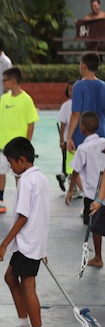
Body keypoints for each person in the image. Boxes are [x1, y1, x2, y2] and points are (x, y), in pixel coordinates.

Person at [0, 137, 50, 327]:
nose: (10, 168)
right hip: (33, 241)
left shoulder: (26, 181)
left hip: (28, 241)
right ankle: (24, 326)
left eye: (11, 163)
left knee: (28, 285)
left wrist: (3, 245)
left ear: (21, 160)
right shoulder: (41, 178)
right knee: (10, 277)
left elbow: (23, 216)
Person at [0, 67, 38, 214]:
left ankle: (23, 203)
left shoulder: (27, 100)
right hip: (1, 145)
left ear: (12, 81)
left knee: (20, 176)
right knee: (0, 172)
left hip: (17, 148)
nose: (3, 83)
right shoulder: (4, 98)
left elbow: (31, 124)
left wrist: (26, 145)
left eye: (4, 80)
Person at [65, 112, 105, 267]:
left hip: (92, 194)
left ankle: (98, 257)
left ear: (81, 128)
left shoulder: (83, 148)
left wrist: (70, 191)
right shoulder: (103, 142)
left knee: (95, 227)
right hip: (103, 192)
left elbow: (75, 172)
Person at [66, 52, 105, 154]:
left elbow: (76, 113)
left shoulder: (79, 86)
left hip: (82, 134)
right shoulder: (103, 86)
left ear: (83, 66)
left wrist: (69, 137)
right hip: (100, 134)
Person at [56, 80, 77, 193]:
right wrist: (61, 141)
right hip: (67, 140)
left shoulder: (84, 103)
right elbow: (62, 125)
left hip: (79, 140)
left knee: (76, 164)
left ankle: (63, 177)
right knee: (69, 163)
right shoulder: (66, 106)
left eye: (74, 89)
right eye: (70, 90)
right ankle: (72, 187)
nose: (72, 92)